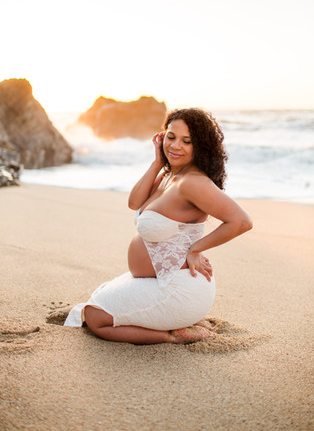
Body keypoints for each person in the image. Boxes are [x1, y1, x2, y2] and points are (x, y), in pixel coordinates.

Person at [64, 108, 252, 344]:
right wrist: (157, 161)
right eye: (171, 137)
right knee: (98, 297)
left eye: (187, 141)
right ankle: (175, 323)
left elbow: (242, 221)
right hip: (162, 280)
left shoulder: (193, 182)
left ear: (200, 146)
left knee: (95, 317)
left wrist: (195, 249)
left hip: (181, 290)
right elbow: (134, 202)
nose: (176, 146)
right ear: (162, 136)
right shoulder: (169, 176)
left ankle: (172, 336)